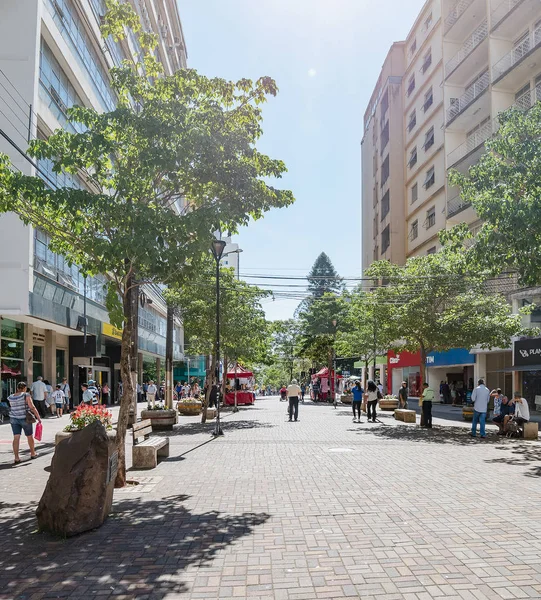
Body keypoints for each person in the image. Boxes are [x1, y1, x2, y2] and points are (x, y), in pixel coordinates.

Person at [9, 382, 41, 464]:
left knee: (16, 437)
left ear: (17, 388)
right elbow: (32, 407)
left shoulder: (10, 397)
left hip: (13, 419)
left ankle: (16, 458)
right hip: (25, 418)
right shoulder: (26, 395)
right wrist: (38, 417)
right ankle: (33, 453)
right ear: (25, 388)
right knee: (29, 436)